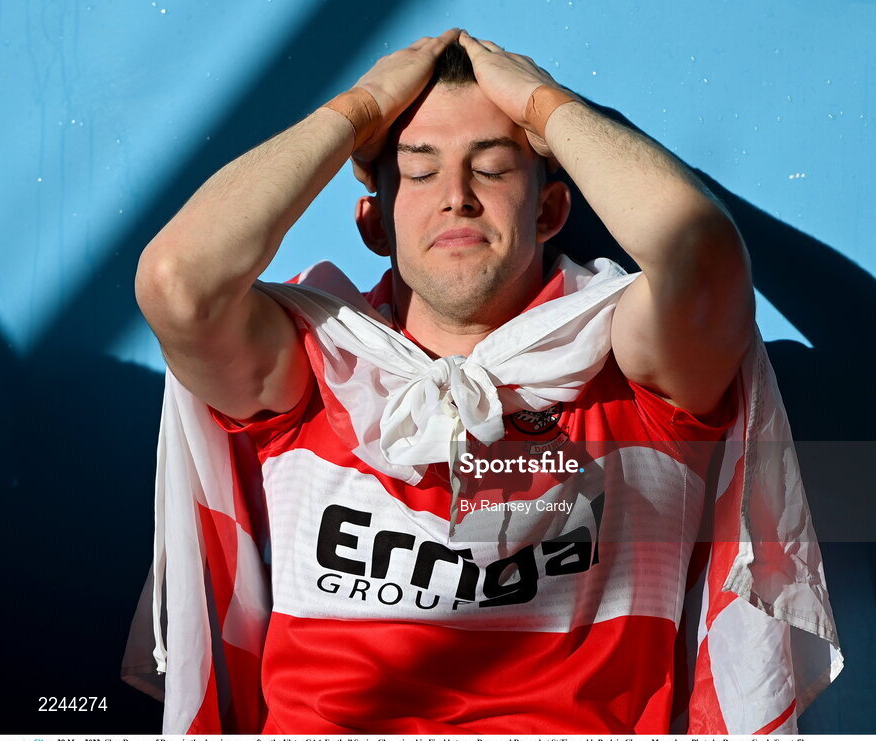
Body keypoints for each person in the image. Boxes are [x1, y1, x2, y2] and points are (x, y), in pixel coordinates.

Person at [131, 28, 840, 734]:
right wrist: (357, 108)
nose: (457, 197)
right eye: (419, 172)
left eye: (494, 168)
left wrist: (543, 105)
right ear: (374, 225)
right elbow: (177, 283)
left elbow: (703, 260)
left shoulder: (624, 364)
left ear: (549, 212)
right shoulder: (320, 361)